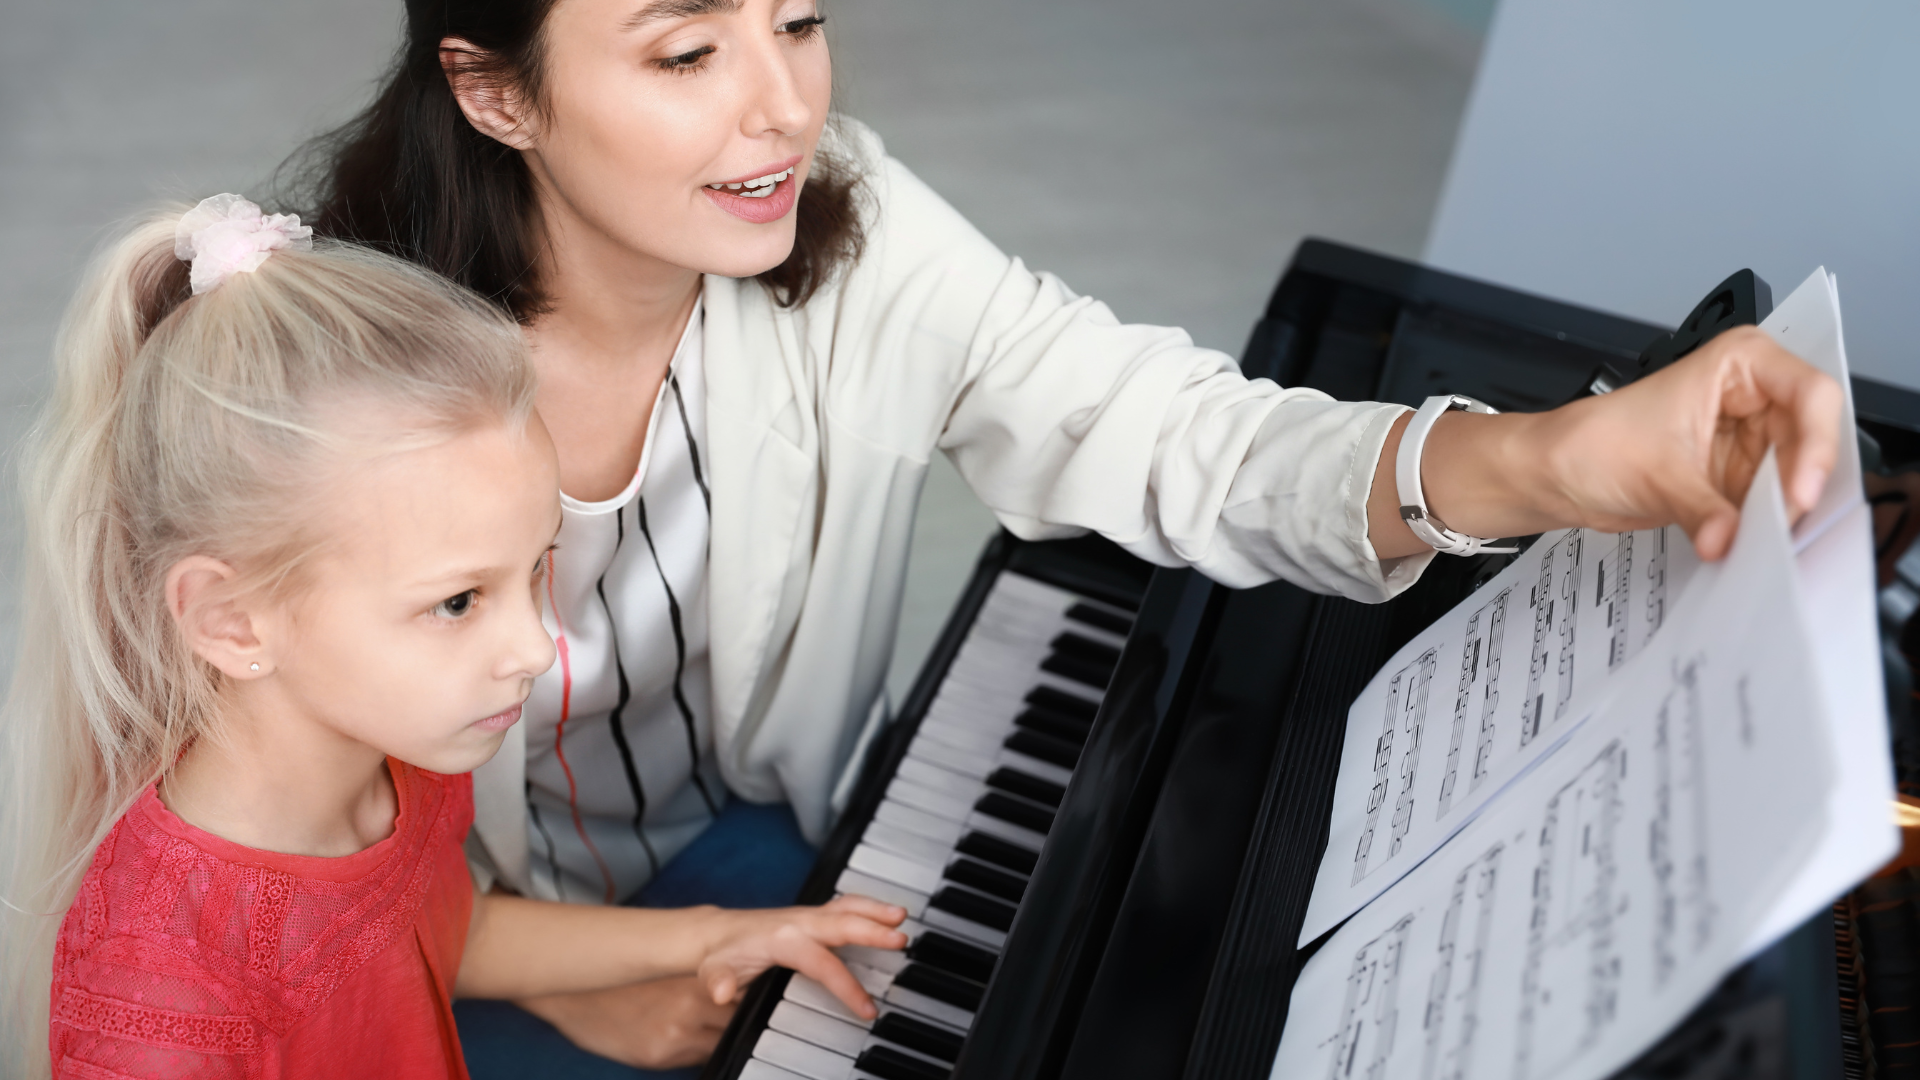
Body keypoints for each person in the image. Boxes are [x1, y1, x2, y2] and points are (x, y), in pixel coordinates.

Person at [295, 0, 1845, 1073]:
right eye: (688, 48)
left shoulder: (855, 234)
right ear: (496, 92)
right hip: (418, 934)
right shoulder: (317, 387)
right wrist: (588, 995)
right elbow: (246, 866)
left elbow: (1174, 433)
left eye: (799, 20)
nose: (781, 105)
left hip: (745, 840)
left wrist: (1560, 457)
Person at [0, 198, 906, 1080]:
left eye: (536, 569)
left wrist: (721, 933)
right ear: (231, 621)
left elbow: (447, 922)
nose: (537, 651)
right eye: (460, 602)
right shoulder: (163, 993)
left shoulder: (400, 761)